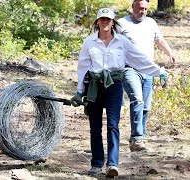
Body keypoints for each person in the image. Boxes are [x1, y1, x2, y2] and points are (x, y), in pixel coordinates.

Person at [70, 8, 168, 178]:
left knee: (113, 125)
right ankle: (96, 163)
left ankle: (112, 165)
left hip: (114, 86)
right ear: (97, 22)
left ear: (113, 22)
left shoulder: (122, 41)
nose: (105, 22)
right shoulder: (89, 42)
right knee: (95, 127)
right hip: (94, 86)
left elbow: (139, 58)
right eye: (102, 19)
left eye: (108, 19)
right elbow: (82, 68)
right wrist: (79, 92)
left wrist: (158, 71)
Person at [118, 0, 176, 152]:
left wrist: (170, 53)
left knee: (145, 106)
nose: (142, 11)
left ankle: (138, 138)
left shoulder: (151, 23)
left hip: (149, 69)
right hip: (129, 69)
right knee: (137, 99)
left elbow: (159, 40)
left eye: (145, 9)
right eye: (139, 8)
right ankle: (137, 138)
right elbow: (111, 42)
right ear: (133, 7)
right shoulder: (122, 23)